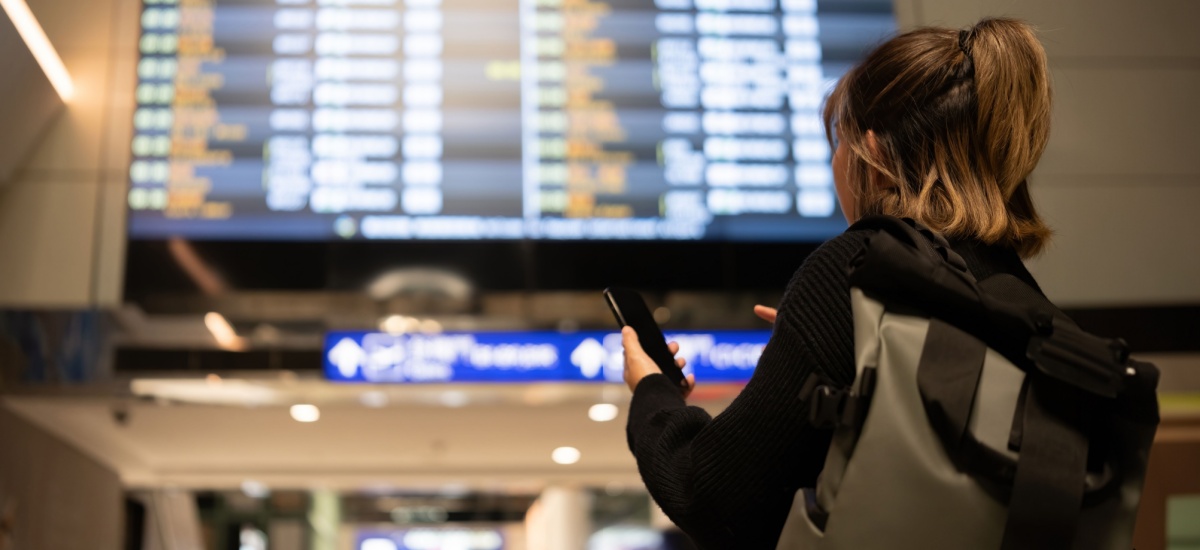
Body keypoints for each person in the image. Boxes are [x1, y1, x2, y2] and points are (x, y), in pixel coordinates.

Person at [621, 17, 1054, 549]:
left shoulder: (856, 268)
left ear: (870, 155)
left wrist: (651, 392)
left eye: (840, 143)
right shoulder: (1024, 298)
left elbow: (709, 497)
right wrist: (829, 351)